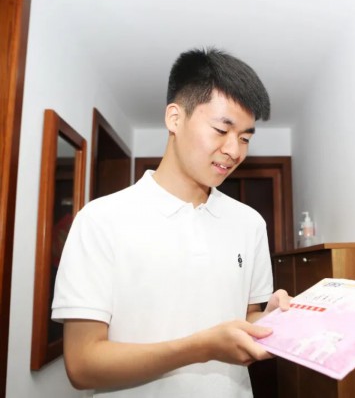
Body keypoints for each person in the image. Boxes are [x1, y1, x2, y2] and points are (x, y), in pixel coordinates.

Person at [51, 48, 290, 397]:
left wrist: (270, 321)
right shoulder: (101, 220)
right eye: (221, 130)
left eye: (245, 138)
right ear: (175, 118)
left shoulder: (249, 223)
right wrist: (200, 348)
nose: (234, 151)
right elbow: (82, 364)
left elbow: (245, 317)